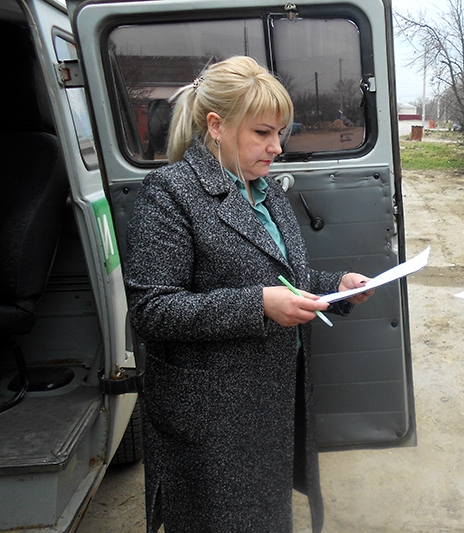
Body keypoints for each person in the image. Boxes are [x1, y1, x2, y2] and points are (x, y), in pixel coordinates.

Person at [124, 56, 373, 533]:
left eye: (281, 133)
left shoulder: (260, 188)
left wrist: (335, 287)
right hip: (214, 414)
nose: (277, 147)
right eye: (263, 133)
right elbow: (153, 311)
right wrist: (258, 306)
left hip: (269, 402)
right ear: (216, 126)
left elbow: (281, 277)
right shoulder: (171, 192)